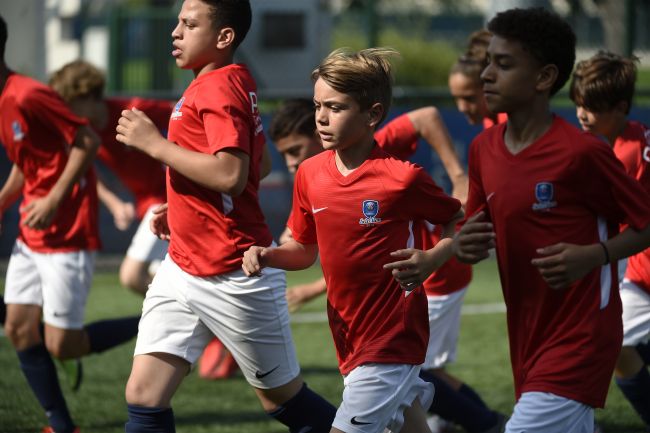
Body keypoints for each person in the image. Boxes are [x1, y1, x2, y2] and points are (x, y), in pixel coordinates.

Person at [115, 1, 336, 432]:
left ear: (224, 38)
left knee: (283, 402)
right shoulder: (225, 80)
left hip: (235, 270)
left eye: (189, 24)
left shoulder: (218, 86)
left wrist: (152, 144)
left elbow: (233, 175)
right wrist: (183, 206)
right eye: (178, 22)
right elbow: (261, 166)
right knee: (143, 395)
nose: (175, 32)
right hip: (182, 265)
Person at [243, 46, 465, 433]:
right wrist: (269, 255)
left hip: (392, 338)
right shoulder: (310, 174)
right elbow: (304, 250)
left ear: (373, 114)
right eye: (317, 107)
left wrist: (433, 258)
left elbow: (456, 221)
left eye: (336, 108)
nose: (322, 119)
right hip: (349, 336)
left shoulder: (401, 178)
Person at [453, 7, 650, 433]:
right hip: (527, 335)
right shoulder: (483, 148)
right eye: (489, 61)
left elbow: (645, 225)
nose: (487, 74)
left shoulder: (583, 153)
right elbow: (474, 233)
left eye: (503, 64)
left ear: (544, 78)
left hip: (581, 336)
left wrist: (593, 255)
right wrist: (458, 248)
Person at [267, 98, 505, 433]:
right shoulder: (319, 172)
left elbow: (426, 115)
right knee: (410, 391)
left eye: (295, 150)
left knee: (409, 371)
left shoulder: (365, 147)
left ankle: (488, 423)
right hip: (375, 305)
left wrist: (458, 175)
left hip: (416, 280)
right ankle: (488, 423)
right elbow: (343, 254)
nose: (291, 163)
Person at [0, 14, 139, 433]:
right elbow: (30, 164)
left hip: (68, 236)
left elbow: (88, 142)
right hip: (32, 236)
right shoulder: (5, 100)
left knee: (65, 345)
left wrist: (55, 198)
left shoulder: (28, 94)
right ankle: (62, 426)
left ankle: (155, 318)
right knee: (19, 330)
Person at [569, 51, 650, 430]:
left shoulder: (627, 151)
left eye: (592, 108)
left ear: (620, 107)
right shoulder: (624, 141)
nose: (582, 115)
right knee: (614, 345)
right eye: (579, 105)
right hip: (638, 272)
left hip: (642, 273)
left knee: (600, 343)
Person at [49, 60, 172, 295]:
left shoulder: (133, 111)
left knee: (132, 275)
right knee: (165, 274)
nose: (65, 111)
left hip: (170, 200)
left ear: (87, 96)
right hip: (149, 205)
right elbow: (84, 168)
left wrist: (173, 152)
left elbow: (188, 116)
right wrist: (115, 204)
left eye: (69, 103)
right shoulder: (85, 130)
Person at [448, 29, 506, 129]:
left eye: (469, 98)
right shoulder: (490, 122)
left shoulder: (513, 124)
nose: (461, 108)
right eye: (456, 98)